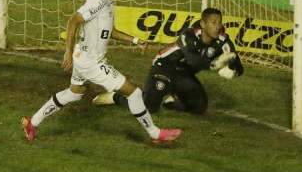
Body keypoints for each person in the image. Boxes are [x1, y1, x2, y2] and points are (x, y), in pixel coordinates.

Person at [21, 0, 182, 144]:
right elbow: (73, 20)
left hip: (82, 58)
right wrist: (67, 51)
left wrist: (135, 40)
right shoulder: (97, 1)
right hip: (92, 62)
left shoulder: (105, 2)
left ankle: (32, 122)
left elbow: (110, 31)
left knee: (74, 94)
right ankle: (155, 134)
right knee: (134, 93)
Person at [93, 8, 243, 115]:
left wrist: (232, 71)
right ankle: (117, 97)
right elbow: (192, 60)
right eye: (213, 22)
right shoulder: (189, 35)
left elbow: (237, 64)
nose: (217, 26)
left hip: (183, 75)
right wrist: (213, 65)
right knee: (148, 108)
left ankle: (171, 101)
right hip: (164, 68)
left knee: (198, 108)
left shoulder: (223, 41)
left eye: (219, 22)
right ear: (203, 24)